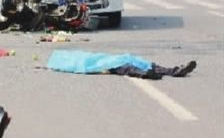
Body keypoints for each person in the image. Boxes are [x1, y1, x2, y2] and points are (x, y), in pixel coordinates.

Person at [47, 50, 197, 80]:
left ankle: (174, 70)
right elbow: (82, 64)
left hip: (102, 60)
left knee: (131, 62)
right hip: (100, 64)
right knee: (126, 66)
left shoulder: (60, 59)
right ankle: (150, 73)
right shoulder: (62, 60)